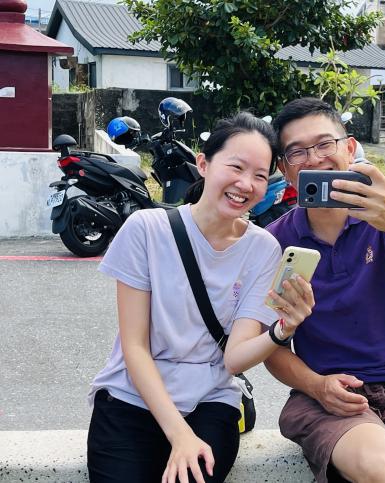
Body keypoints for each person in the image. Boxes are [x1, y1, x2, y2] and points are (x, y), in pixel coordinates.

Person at [86, 112, 315, 483]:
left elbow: (234, 359)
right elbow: (135, 347)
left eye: (260, 175)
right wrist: (179, 436)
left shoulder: (263, 250)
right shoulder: (146, 230)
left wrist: (282, 330)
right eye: (236, 167)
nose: (246, 184)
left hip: (210, 403)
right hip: (131, 398)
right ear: (204, 164)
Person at [265, 98, 385, 483]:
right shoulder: (275, 241)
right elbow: (270, 345)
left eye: (324, 144)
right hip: (325, 393)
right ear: (284, 168)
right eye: (297, 152)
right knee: (381, 469)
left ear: (349, 148)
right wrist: (317, 385)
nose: (314, 159)